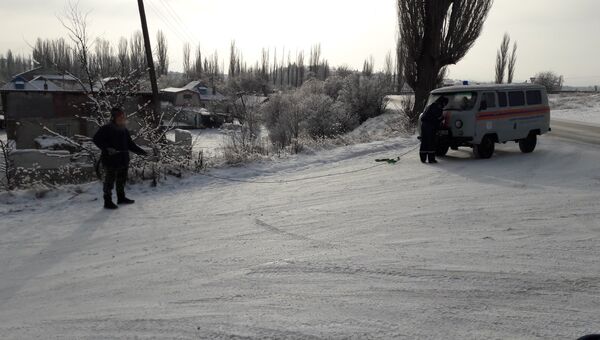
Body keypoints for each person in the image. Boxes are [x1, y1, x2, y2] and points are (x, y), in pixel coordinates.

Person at [93, 107, 148, 209]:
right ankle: (107, 202)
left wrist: (141, 152)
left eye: (123, 116)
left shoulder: (124, 130)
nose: (122, 118)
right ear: (114, 117)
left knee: (121, 180)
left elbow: (130, 144)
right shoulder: (107, 128)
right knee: (109, 182)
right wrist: (107, 148)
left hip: (123, 159)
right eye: (119, 117)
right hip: (110, 160)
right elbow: (96, 139)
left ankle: (121, 198)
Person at [420, 96, 448, 164]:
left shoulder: (431, 106)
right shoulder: (438, 108)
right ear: (442, 102)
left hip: (424, 125)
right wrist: (443, 118)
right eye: (445, 104)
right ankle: (431, 159)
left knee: (424, 141)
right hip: (430, 126)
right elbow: (438, 119)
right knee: (431, 142)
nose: (444, 106)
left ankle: (423, 158)